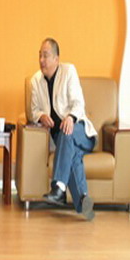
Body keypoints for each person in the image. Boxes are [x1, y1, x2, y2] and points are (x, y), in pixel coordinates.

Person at [30, 38, 97, 221]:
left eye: (46, 55)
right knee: (71, 153)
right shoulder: (35, 81)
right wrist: (41, 116)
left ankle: (58, 187)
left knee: (67, 132)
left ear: (56, 59)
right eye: (40, 55)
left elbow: (78, 103)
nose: (41, 60)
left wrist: (70, 118)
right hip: (61, 140)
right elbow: (34, 110)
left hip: (81, 132)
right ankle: (83, 201)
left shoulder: (69, 71)